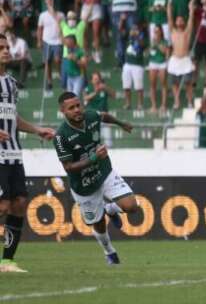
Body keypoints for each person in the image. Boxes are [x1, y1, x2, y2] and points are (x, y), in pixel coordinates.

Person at [53, 91, 137, 266]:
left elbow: (104, 116)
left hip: (103, 171)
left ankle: (112, 209)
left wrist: (122, 124)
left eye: (78, 105)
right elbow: (68, 167)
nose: (77, 110)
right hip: (84, 186)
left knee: (131, 206)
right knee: (98, 224)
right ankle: (110, 252)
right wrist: (93, 158)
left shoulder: (91, 115)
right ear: (63, 111)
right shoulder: (61, 136)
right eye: (71, 108)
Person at [0, 35, 56, 273]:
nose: (5, 50)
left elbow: (13, 117)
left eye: (6, 47)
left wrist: (36, 130)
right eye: (0, 48)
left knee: (20, 203)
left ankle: (7, 261)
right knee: (2, 206)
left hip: (14, 152)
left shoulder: (11, 82)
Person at [169, 0, 200, 109]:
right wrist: (169, 4)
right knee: (174, 83)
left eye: (182, 20)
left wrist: (191, 7)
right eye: (178, 20)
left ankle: (189, 101)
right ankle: (176, 102)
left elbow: (191, 18)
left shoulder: (187, 32)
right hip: (175, 59)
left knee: (188, 83)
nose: (180, 21)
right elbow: (169, 17)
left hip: (185, 59)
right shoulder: (173, 31)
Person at [148, 28, 169, 113]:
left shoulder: (165, 41)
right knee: (152, 85)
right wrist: (152, 45)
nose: (155, 33)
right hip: (153, 63)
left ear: (161, 32)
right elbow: (150, 52)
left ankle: (163, 105)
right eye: (154, 31)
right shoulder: (152, 41)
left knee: (163, 84)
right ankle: (153, 106)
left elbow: (165, 52)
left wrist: (157, 44)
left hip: (162, 63)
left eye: (157, 31)